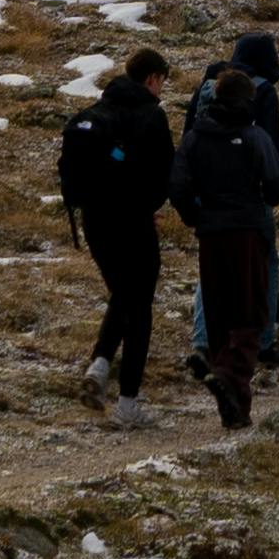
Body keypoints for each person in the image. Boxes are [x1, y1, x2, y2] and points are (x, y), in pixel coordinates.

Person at [172, 27, 279, 431]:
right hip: (248, 231)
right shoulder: (255, 137)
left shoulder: (195, 138)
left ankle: (236, 408)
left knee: (221, 312)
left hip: (210, 233)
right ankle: (228, 376)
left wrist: (195, 216)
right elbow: (276, 187)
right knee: (251, 313)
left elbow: (179, 184)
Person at [56, 48, 177, 425]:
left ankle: (100, 365)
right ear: (153, 79)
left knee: (124, 295)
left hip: (95, 222)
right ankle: (128, 403)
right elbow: (164, 174)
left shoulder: (97, 113)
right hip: (134, 223)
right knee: (138, 307)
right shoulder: (151, 115)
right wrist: (148, 206)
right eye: (162, 82)